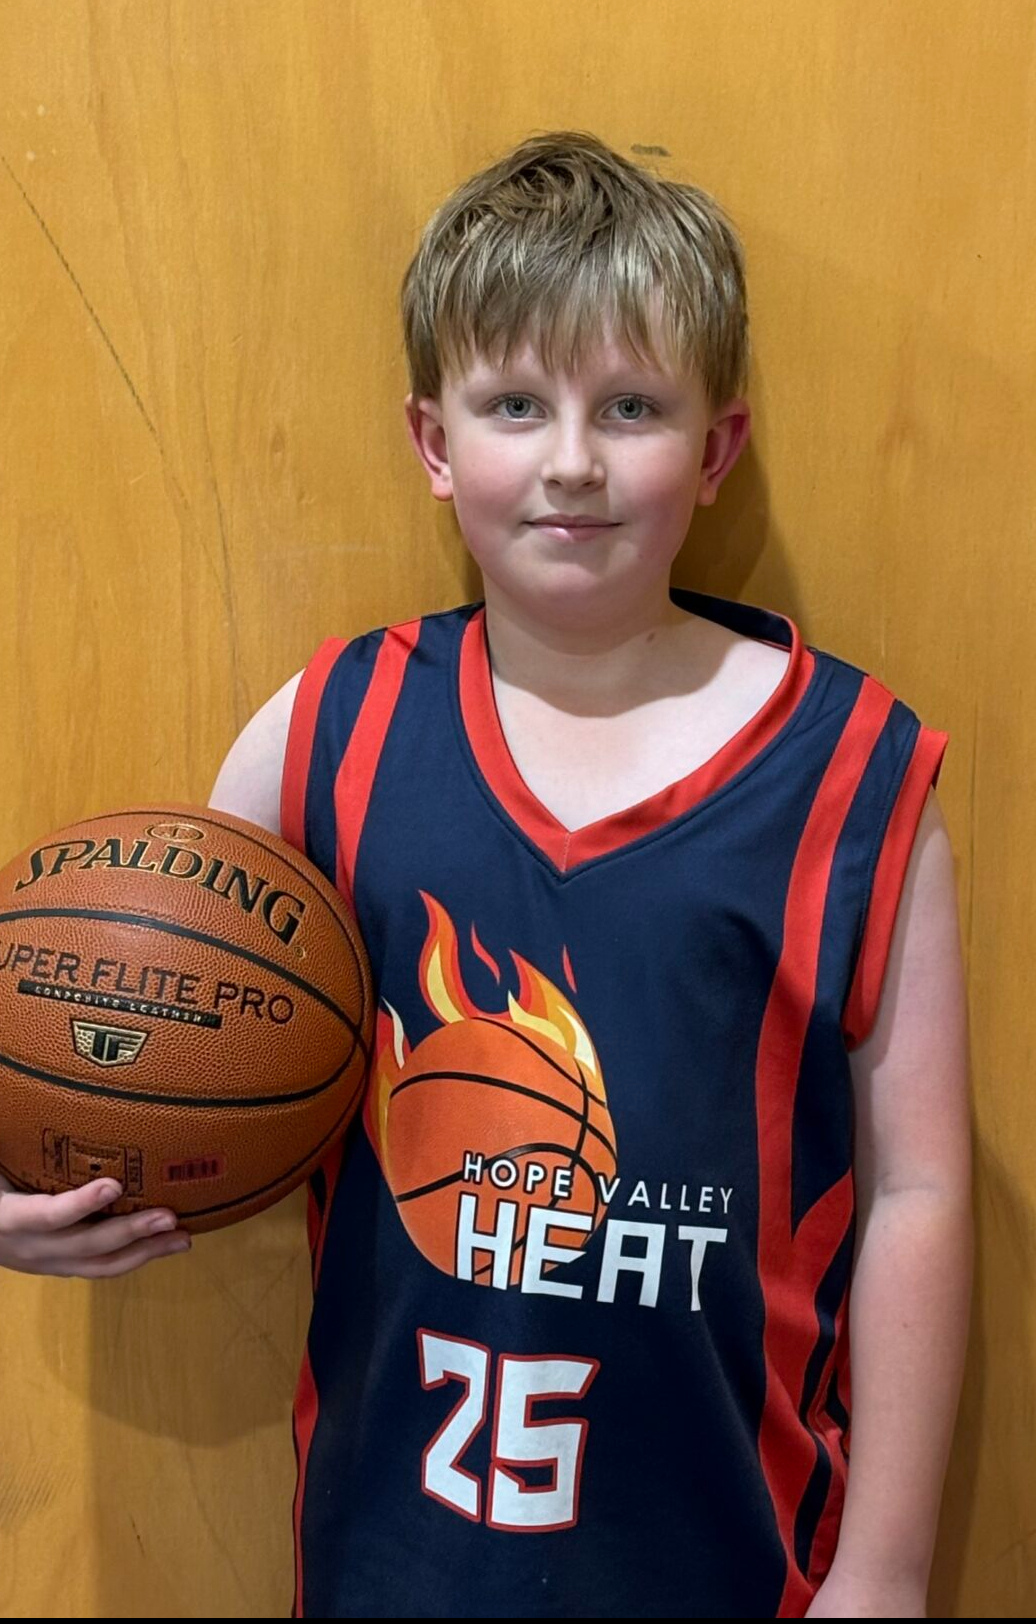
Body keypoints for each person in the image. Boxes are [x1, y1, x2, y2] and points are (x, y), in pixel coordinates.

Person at [0, 130, 972, 1619]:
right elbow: (143, 1011)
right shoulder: (328, 729)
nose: (572, 460)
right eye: (516, 403)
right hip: (397, 1557)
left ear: (716, 449)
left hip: (731, 1558)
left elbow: (917, 1188)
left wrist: (886, 1571)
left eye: (631, 406)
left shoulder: (855, 770)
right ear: (435, 441)